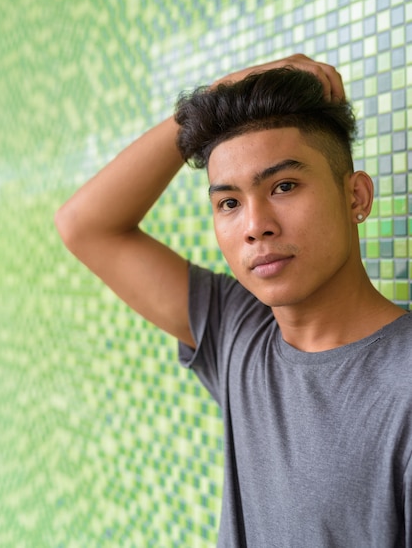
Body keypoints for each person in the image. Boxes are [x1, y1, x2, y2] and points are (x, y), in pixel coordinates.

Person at [55, 54, 412, 547]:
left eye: (284, 186)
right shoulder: (241, 332)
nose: (254, 225)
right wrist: (224, 90)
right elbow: (84, 226)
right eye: (229, 202)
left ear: (356, 197)